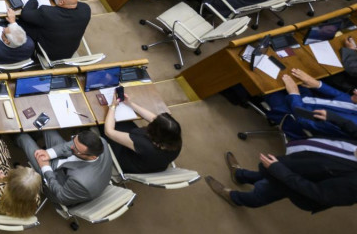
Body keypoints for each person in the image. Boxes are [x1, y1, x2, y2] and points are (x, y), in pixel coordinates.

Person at [207, 125, 357, 211]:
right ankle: (241, 175)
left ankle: (235, 198)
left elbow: (319, 194)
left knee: (267, 190)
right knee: (269, 172)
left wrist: (280, 171)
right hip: (302, 164)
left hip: (297, 183)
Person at [17, 129, 111, 206]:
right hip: (66, 163)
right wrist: (49, 153)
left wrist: (46, 168)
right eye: (74, 141)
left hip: (57, 180)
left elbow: (60, 196)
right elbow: (72, 145)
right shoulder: (100, 141)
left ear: (92, 157)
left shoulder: (81, 182)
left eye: (76, 149)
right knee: (48, 128)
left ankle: (15, 137)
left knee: (24, 138)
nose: (71, 147)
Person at [267, 69, 357, 139]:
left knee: (268, 86)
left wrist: (294, 94)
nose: (355, 91)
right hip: (308, 100)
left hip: (292, 114)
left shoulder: (349, 124)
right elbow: (343, 98)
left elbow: (305, 119)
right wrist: (318, 84)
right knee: (289, 71)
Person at [104, 94, 182, 174]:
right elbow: (154, 119)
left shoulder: (143, 144)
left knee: (108, 123)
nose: (153, 119)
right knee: (123, 122)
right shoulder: (174, 139)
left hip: (128, 162)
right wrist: (129, 103)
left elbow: (109, 132)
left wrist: (113, 106)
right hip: (153, 163)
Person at [19, 0, 90, 61]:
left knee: (22, 22)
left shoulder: (47, 13)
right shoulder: (86, 9)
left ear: (61, 2)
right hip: (69, 51)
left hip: (49, 53)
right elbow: (72, 3)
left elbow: (25, 14)